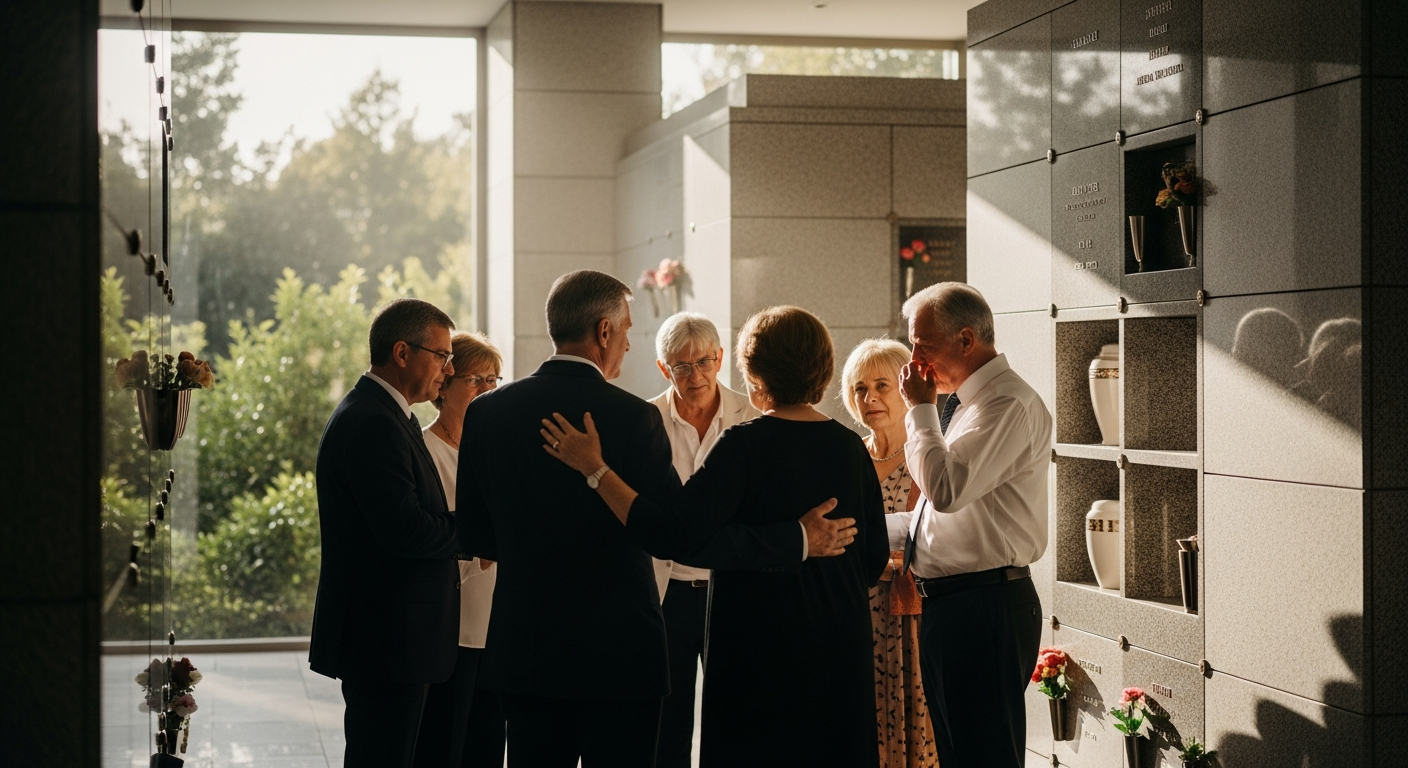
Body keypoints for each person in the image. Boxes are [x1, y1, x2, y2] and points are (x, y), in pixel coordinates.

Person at [456, 272, 856, 768]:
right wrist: (795, 540)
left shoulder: (487, 413)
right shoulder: (632, 417)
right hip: (618, 653)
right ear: (604, 331)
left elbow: (475, 536)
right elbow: (675, 535)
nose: (627, 342)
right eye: (626, 329)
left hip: (525, 649)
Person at [542, 304, 890, 768]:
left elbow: (671, 534)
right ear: (824, 371)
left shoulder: (743, 444)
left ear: (753, 373)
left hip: (758, 643)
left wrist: (596, 470)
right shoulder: (850, 446)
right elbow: (873, 558)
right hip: (838, 641)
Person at [896, 282, 1053, 768]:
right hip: (955, 606)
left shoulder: (1006, 404)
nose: (915, 361)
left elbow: (945, 490)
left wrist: (919, 410)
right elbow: (944, 519)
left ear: (966, 340)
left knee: (984, 755)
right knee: (960, 755)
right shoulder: (969, 404)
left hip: (985, 606)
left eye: (923, 345)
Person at [309, 298, 461, 768]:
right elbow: (405, 531)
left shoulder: (386, 413)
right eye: (442, 355)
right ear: (402, 353)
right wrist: (478, 527)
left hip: (394, 638)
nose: (449, 370)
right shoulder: (372, 421)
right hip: (387, 641)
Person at [646, 312, 761, 768]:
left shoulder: (752, 417)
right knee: (667, 723)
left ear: (720, 358)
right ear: (663, 368)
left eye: (704, 362)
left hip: (732, 586)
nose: (696, 375)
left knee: (734, 716)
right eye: (682, 366)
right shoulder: (645, 421)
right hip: (666, 591)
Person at [840, 339, 937, 768]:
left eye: (881, 385)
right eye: (860, 388)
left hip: (909, 615)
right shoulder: (848, 455)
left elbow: (935, 536)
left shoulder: (926, 456)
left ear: (905, 389)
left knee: (914, 721)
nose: (870, 398)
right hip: (853, 612)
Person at [414, 331, 508, 768]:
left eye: (494, 380)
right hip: (448, 622)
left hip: (500, 621)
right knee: (443, 744)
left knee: (487, 745)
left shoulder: (498, 450)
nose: (487, 390)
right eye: (475, 380)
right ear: (444, 386)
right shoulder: (425, 450)